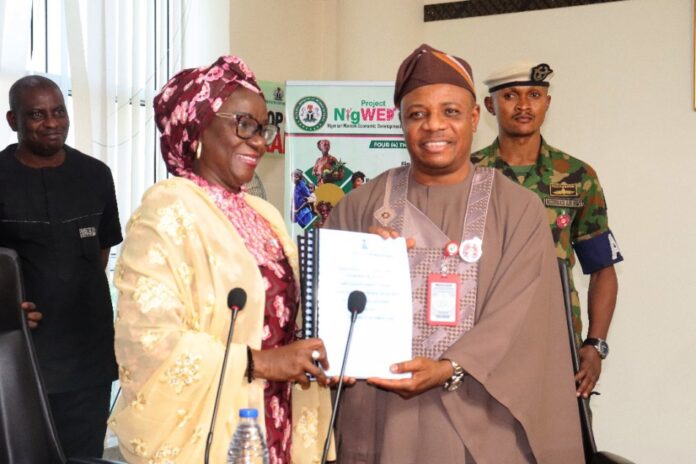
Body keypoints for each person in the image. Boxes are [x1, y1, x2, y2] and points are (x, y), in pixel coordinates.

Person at [326, 44, 583, 463]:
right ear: (401, 122)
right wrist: (360, 261)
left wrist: (451, 366)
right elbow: (329, 315)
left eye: (450, 112)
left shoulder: (517, 209)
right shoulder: (359, 206)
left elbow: (522, 316)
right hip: (383, 418)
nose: (434, 127)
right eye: (417, 114)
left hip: (481, 417)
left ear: (475, 118)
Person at [108, 55, 333, 464]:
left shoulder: (262, 213)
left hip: (275, 417)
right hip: (217, 431)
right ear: (198, 126)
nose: (260, 142)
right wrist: (261, 363)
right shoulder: (166, 208)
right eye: (243, 124)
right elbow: (148, 341)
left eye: (263, 128)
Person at [471, 62, 623, 398]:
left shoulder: (577, 175)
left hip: (556, 339)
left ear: (547, 103)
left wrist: (596, 346)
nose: (524, 105)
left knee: (558, 447)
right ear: (490, 106)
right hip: (478, 341)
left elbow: (602, 270)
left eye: (535, 95)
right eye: (510, 95)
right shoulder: (467, 175)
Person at [0, 75, 122, 458]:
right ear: (13, 120)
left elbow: (101, 252)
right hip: (16, 355)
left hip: (88, 355)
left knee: (84, 455)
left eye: (58, 112)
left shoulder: (95, 175)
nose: (52, 122)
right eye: (36, 114)